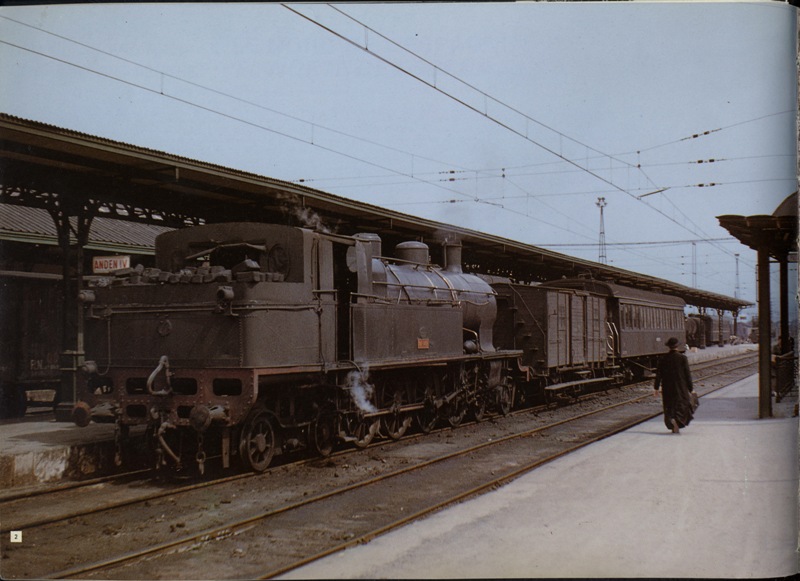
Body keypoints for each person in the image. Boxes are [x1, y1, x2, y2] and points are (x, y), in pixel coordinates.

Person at [653, 336, 695, 434]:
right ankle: (678, 421)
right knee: (681, 404)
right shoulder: (682, 358)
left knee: (669, 405)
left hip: (667, 387)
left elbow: (659, 374)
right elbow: (687, 375)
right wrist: (691, 388)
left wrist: (656, 388)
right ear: (677, 347)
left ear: (669, 347)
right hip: (681, 386)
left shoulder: (663, 359)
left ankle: (671, 421)